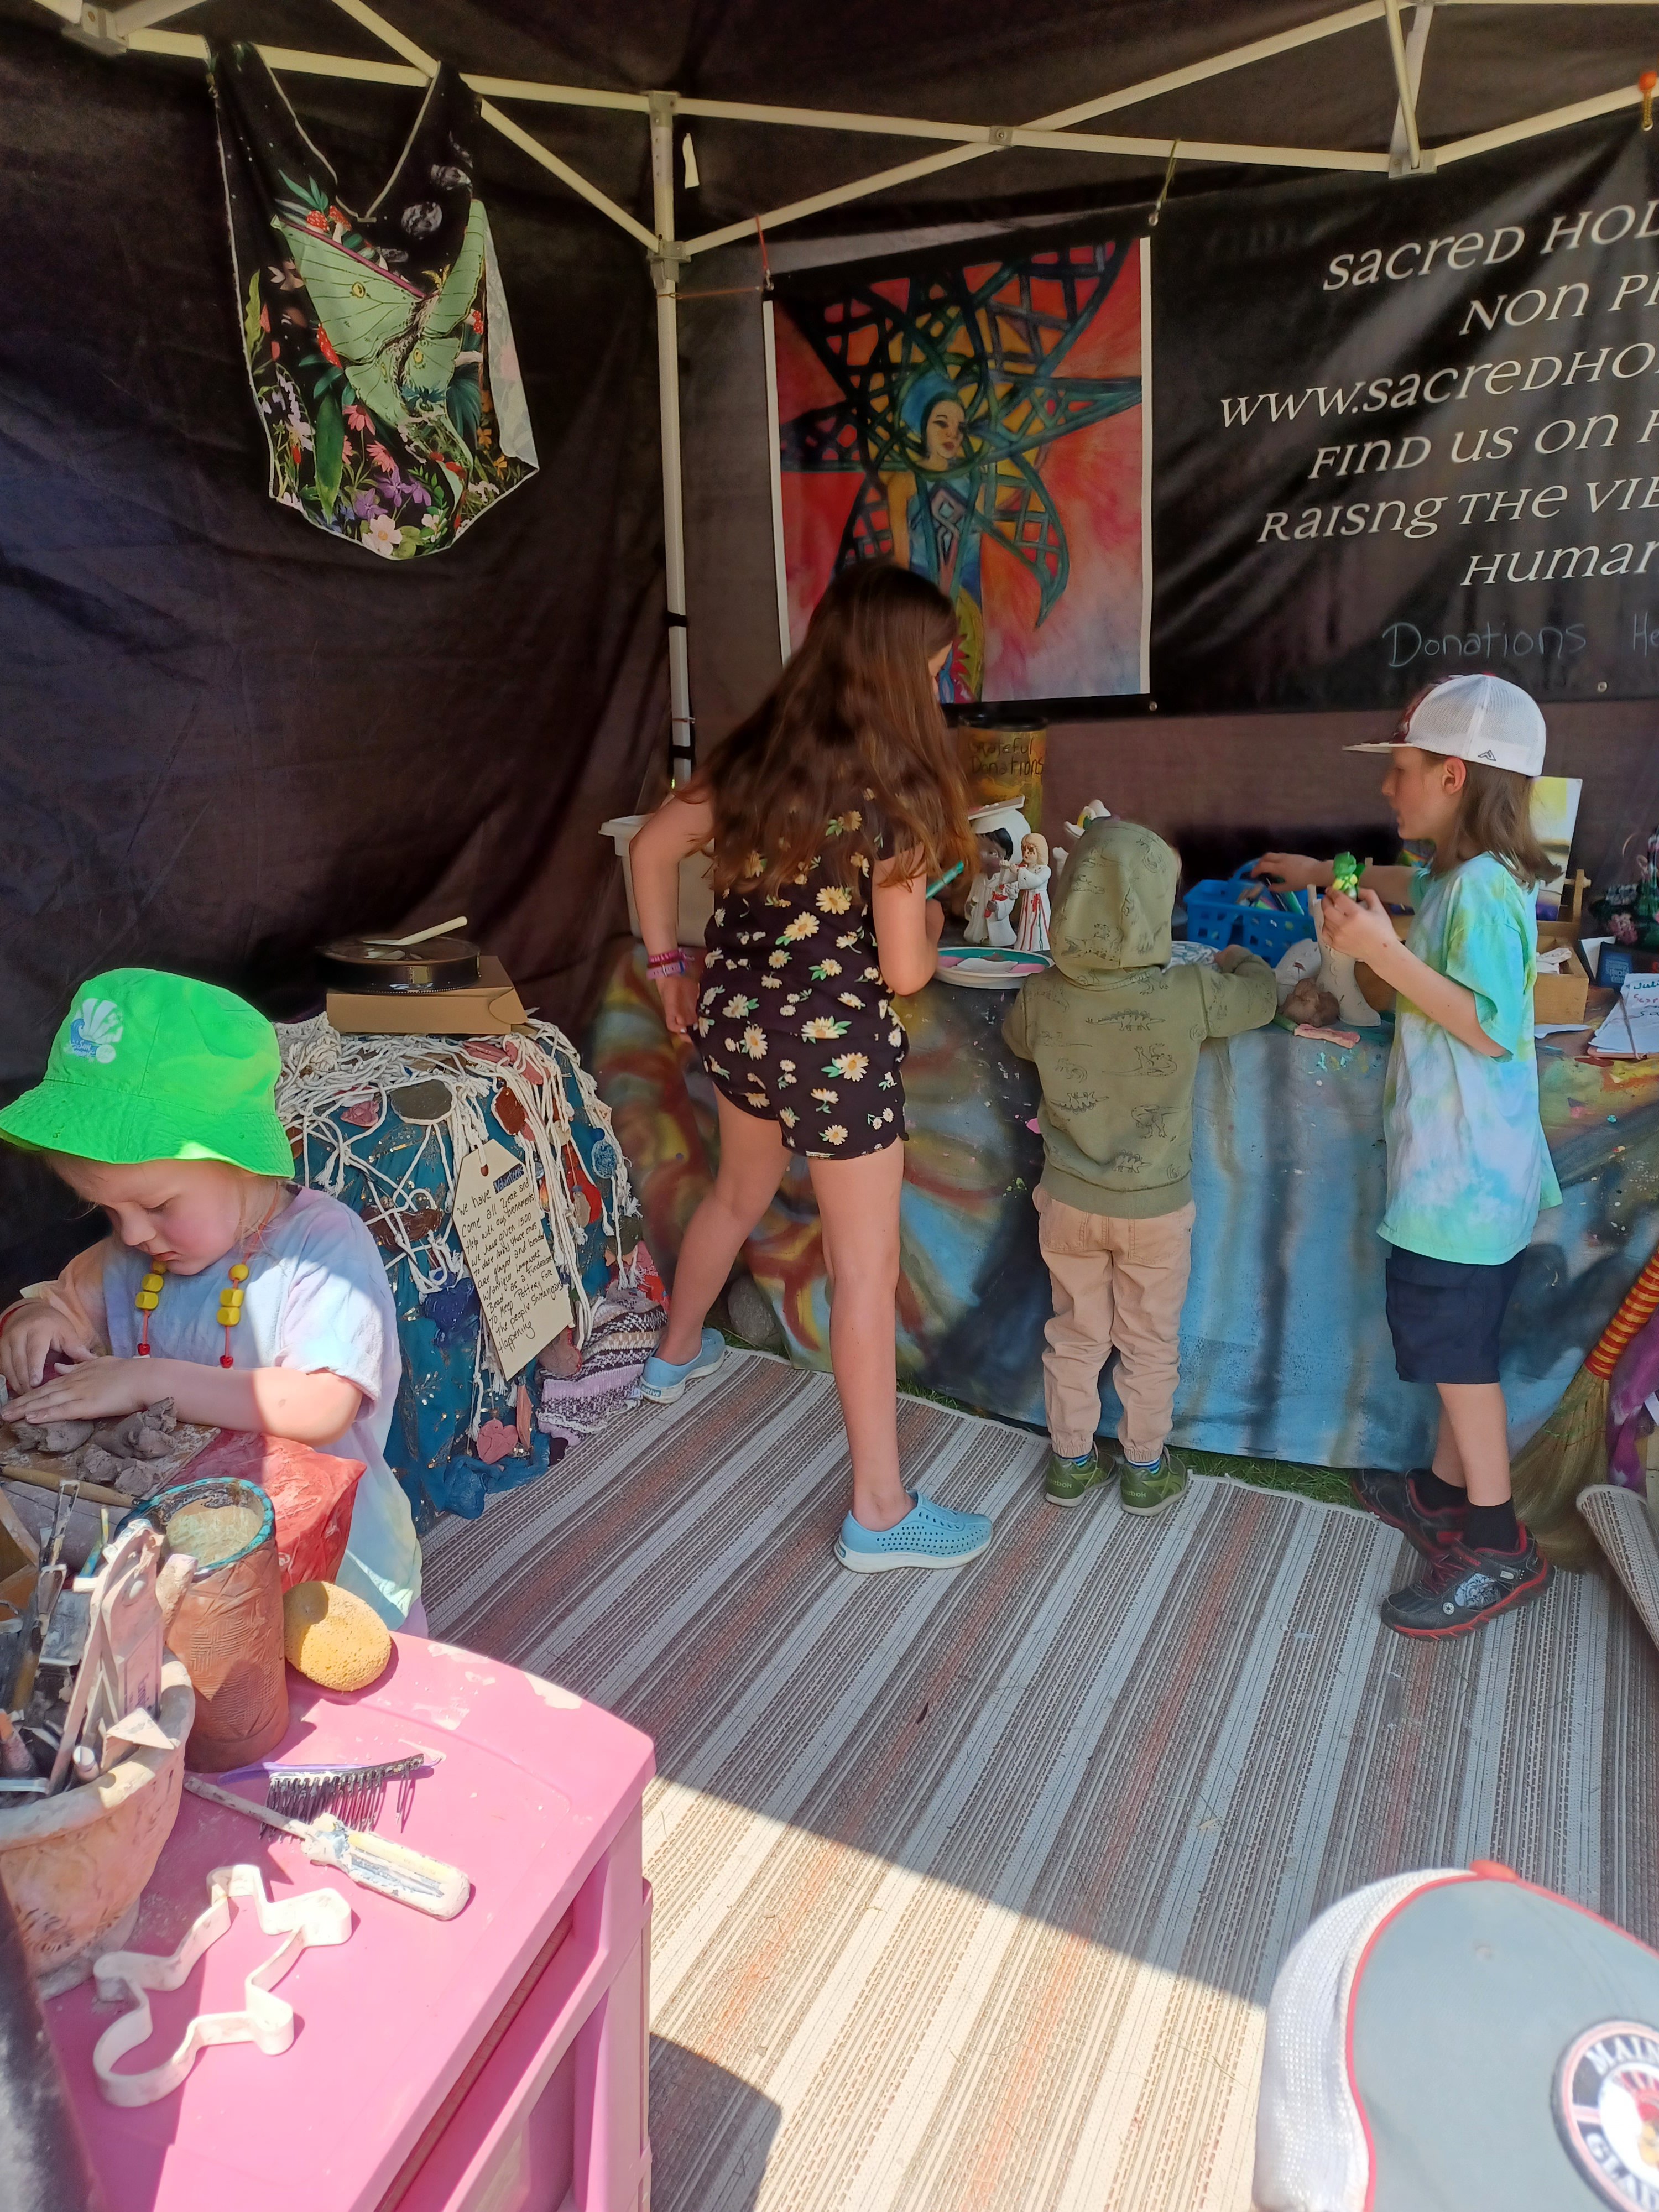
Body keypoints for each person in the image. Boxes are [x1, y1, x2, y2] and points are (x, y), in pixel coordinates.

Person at [627, 562, 992, 1573]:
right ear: (901, 668)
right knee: (865, 1269)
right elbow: (906, 972)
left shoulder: (752, 760)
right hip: (835, 1051)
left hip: (740, 1026)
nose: (938, 685)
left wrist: (667, 968)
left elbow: (650, 850)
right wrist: (930, 912)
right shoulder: (898, 792)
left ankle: (673, 1355)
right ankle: (880, 1510)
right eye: (934, 667)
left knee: (735, 1193)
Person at [1256, 671, 1560, 1637]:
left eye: (1402, 769)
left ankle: (1498, 1542)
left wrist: (1380, 955)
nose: (1388, 788)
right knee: (1448, 1343)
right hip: (1461, 1180)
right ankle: (1439, 1492)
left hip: (1463, 1187)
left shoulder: (1482, 893)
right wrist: (1325, 875)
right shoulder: (1463, 880)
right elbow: (1408, 890)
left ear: (1454, 776)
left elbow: (1490, 1027)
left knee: (1458, 1357)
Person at [0, 969, 421, 1627]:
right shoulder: (131, 1256)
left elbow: (322, 1404)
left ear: (240, 1160)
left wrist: (145, 1379)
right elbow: (60, 1307)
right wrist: (32, 1319)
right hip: (181, 1561)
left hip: (321, 1562)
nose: (132, 1234)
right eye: (107, 1210)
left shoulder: (321, 1248)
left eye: (157, 1205)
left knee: (340, 1672)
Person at [1005, 817, 1277, 1512]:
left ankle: (1070, 1461)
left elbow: (1017, 1037)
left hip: (1068, 1203)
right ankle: (1145, 1468)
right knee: (1149, 1343)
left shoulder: (1042, 994)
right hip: (1155, 1210)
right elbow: (1263, 996)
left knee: (1075, 1334)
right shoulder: (1191, 991)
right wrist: (1235, 958)